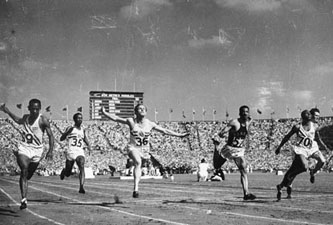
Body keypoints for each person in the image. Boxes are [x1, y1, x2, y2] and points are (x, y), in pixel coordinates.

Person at [101, 103, 189, 198]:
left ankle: (136, 187)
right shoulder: (131, 121)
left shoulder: (150, 124)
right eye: (139, 109)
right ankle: (136, 189)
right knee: (138, 162)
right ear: (135, 112)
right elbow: (116, 118)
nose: (142, 110)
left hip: (144, 150)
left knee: (139, 164)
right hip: (133, 147)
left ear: (146, 112)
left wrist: (179, 135)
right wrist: (105, 113)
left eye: (144, 109)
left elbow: (165, 131)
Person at [0, 99, 54, 209]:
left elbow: (51, 136)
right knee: (24, 170)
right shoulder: (25, 118)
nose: (35, 111)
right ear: (28, 108)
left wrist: (50, 150)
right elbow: (17, 120)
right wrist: (7, 111)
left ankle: (25, 176)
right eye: (33, 109)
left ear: (40, 109)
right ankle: (24, 199)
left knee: (28, 175)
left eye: (37, 109)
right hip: (24, 147)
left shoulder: (43, 120)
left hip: (37, 150)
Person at [212, 105, 256, 200]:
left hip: (239, 150)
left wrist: (250, 119)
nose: (245, 113)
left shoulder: (248, 122)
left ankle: (246, 193)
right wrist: (222, 134)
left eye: (247, 112)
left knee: (243, 170)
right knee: (216, 166)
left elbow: (250, 120)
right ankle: (216, 147)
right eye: (243, 112)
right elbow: (222, 132)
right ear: (239, 113)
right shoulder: (234, 122)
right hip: (229, 149)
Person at [275, 110, 320, 201]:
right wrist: (279, 147)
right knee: (303, 167)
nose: (309, 116)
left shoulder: (314, 126)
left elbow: (317, 138)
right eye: (306, 115)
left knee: (293, 171)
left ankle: (280, 186)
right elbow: (287, 137)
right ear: (303, 117)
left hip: (308, 151)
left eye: (309, 114)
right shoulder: (297, 127)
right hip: (299, 150)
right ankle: (289, 182)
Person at [60, 112, 91, 194]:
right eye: (78, 118)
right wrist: (67, 133)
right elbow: (61, 138)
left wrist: (89, 146)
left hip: (79, 150)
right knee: (68, 173)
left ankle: (81, 187)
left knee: (81, 165)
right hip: (71, 151)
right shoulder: (70, 128)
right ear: (74, 119)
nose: (80, 119)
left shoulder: (83, 129)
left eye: (81, 118)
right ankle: (64, 171)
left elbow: (85, 139)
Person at [308, 108, 330, 183]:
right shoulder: (305, 124)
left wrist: (324, 146)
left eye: (318, 116)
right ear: (311, 115)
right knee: (302, 167)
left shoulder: (316, 125)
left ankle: (312, 173)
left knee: (322, 161)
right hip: (305, 148)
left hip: (313, 148)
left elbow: (318, 137)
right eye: (316, 115)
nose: (318, 117)